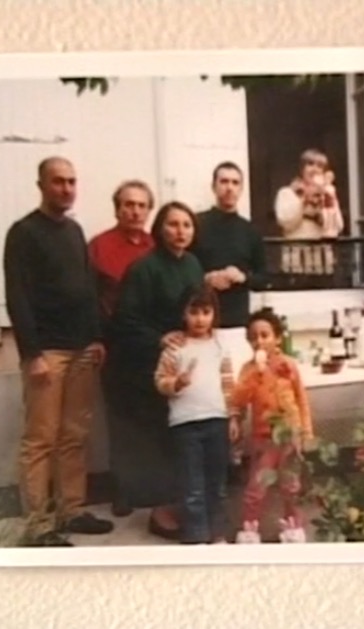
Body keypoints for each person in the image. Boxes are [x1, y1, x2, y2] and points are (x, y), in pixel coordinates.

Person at [3, 156, 113, 546]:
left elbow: (88, 289)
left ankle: (72, 511)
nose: (66, 189)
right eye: (58, 181)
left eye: (71, 182)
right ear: (41, 185)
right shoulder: (23, 233)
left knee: (74, 437)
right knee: (40, 440)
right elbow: (17, 296)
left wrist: (96, 337)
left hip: (82, 349)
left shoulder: (75, 231)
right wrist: (32, 353)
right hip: (46, 352)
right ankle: (38, 525)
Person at [111, 200, 203, 540]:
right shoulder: (144, 268)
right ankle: (160, 512)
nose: (180, 231)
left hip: (184, 362)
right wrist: (159, 339)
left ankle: (182, 505)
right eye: (173, 224)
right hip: (148, 364)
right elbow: (126, 319)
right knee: (160, 439)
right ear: (160, 229)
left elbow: (199, 309)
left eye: (187, 225)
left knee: (184, 435)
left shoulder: (193, 264)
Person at [87, 180, 155, 517]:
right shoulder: (99, 246)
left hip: (152, 345)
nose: (135, 211)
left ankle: (152, 488)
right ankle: (124, 490)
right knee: (121, 421)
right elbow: (88, 298)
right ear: (117, 209)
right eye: (129, 204)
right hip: (116, 347)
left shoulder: (157, 245)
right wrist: (96, 338)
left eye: (142, 205)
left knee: (152, 417)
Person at [154, 285, 241, 544]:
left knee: (217, 484)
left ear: (214, 314)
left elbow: (228, 383)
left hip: (217, 420)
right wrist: (176, 383)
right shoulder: (174, 347)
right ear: (183, 314)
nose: (200, 319)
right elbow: (160, 380)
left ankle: (217, 534)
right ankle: (196, 536)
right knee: (192, 486)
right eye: (193, 312)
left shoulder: (219, 346)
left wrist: (233, 416)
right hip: (185, 424)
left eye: (206, 312)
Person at [230, 308, 313, 543]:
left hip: (289, 435)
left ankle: (293, 526)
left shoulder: (288, 365)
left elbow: (301, 399)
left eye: (265, 335)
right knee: (256, 485)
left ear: (277, 338)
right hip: (263, 437)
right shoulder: (248, 369)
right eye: (253, 337)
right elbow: (239, 398)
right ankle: (250, 528)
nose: (259, 341)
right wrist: (256, 374)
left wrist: (306, 431)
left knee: (291, 484)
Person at [190, 162, 267, 371]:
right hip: (199, 323)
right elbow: (182, 269)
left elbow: (264, 278)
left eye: (235, 182)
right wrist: (205, 279)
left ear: (241, 188)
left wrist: (243, 277)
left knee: (237, 383)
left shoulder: (250, 231)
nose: (229, 188)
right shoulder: (196, 225)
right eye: (224, 181)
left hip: (236, 325)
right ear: (214, 186)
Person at [274, 148, 344, 275]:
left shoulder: (328, 195)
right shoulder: (287, 193)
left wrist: (326, 202)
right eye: (310, 164)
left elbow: (338, 226)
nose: (315, 169)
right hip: (296, 263)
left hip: (322, 264)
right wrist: (304, 200)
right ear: (302, 169)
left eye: (320, 166)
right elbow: (286, 221)